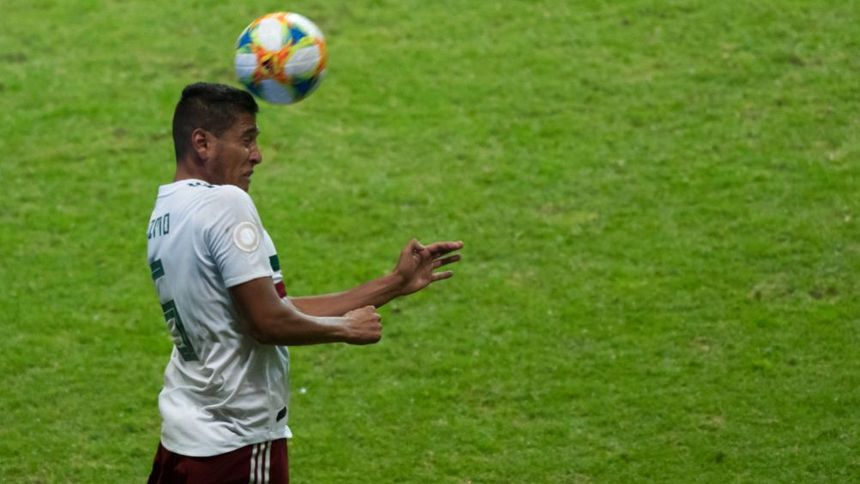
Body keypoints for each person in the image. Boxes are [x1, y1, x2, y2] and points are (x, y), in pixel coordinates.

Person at [145, 82, 463, 483]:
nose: (257, 155)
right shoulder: (225, 202)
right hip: (236, 444)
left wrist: (394, 283)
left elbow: (272, 307)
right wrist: (344, 329)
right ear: (202, 143)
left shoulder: (167, 213)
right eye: (246, 140)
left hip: (184, 438)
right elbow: (266, 323)